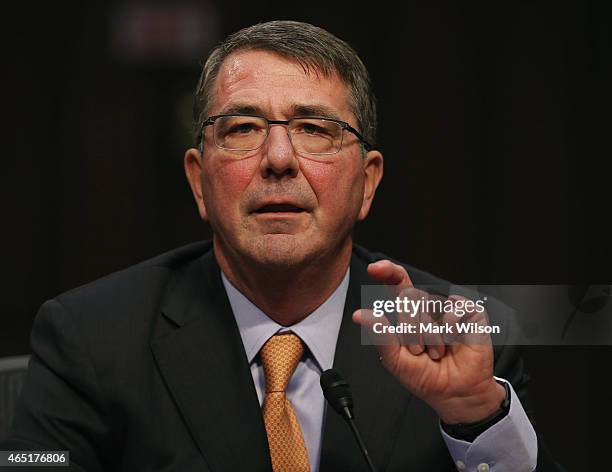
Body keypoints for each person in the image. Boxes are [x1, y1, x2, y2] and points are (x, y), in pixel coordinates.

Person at [1, 21, 560, 471]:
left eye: (315, 129)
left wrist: (474, 416)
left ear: (366, 182)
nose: (278, 159)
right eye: (243, 128)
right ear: (199, 180)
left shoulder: (457, 338)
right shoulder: (89, 337)